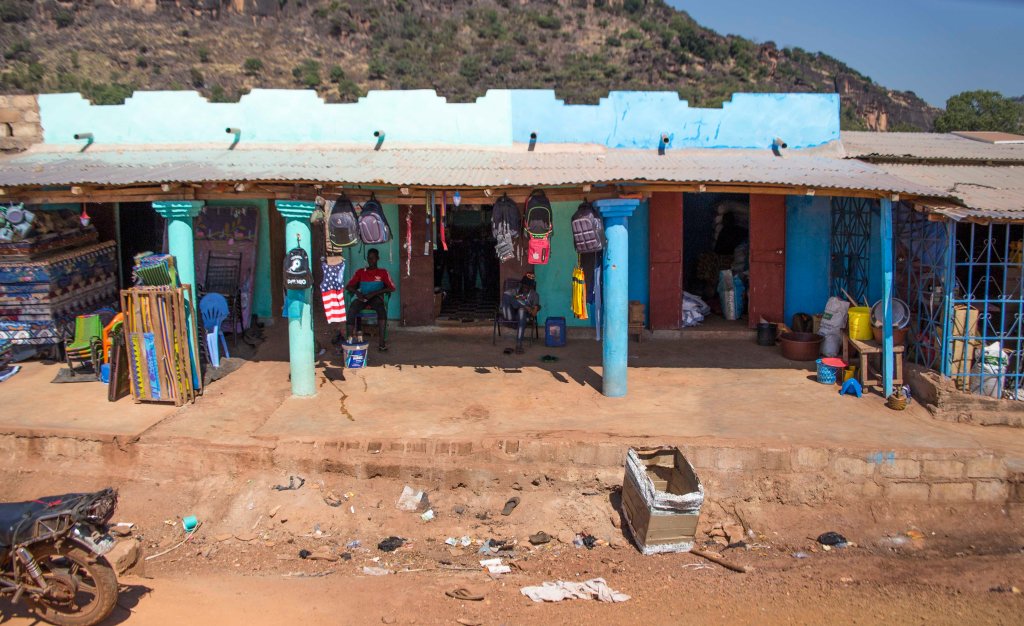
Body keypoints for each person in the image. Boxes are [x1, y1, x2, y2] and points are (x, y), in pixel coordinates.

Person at [346, 248, 395, 351]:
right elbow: (349, 287)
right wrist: (358, 293)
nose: (370, 260)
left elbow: (392, 288)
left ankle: (382, 343)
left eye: (373, 258)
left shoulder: (383, 272)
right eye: (369, 258)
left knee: (382, 310)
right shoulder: (360, 272)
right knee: (352, 308)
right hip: (363, 297)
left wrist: (374, 293)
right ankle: (349, 340)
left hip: (376, 298)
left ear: (377, 259)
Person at [501, 273, 540, 354]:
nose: (525, 288)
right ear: (521, 284)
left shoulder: (535, 295)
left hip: (524, 319)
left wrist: (534, 308)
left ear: (531, 287)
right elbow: (506, 295)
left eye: (527, 287)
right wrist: (525, 306)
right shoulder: (515, 291)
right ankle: (523, 307)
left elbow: (534, 313)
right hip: (511, 316)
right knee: (507, 296)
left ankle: (519, 345)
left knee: (521, 311)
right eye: (524, 285)